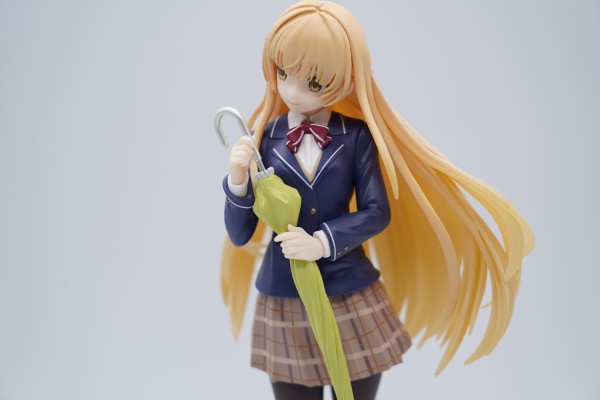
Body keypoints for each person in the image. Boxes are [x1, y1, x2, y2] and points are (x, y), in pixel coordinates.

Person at [219, 2, 534, 399]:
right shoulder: (264, 137)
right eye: (283, 72)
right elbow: (240, 234)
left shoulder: (357, 137)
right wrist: (238, 182)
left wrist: (322, 242)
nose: (293, 91)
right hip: (286, 291)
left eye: (312, 81)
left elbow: (376, 211)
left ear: (344, 78)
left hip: (348, 286)